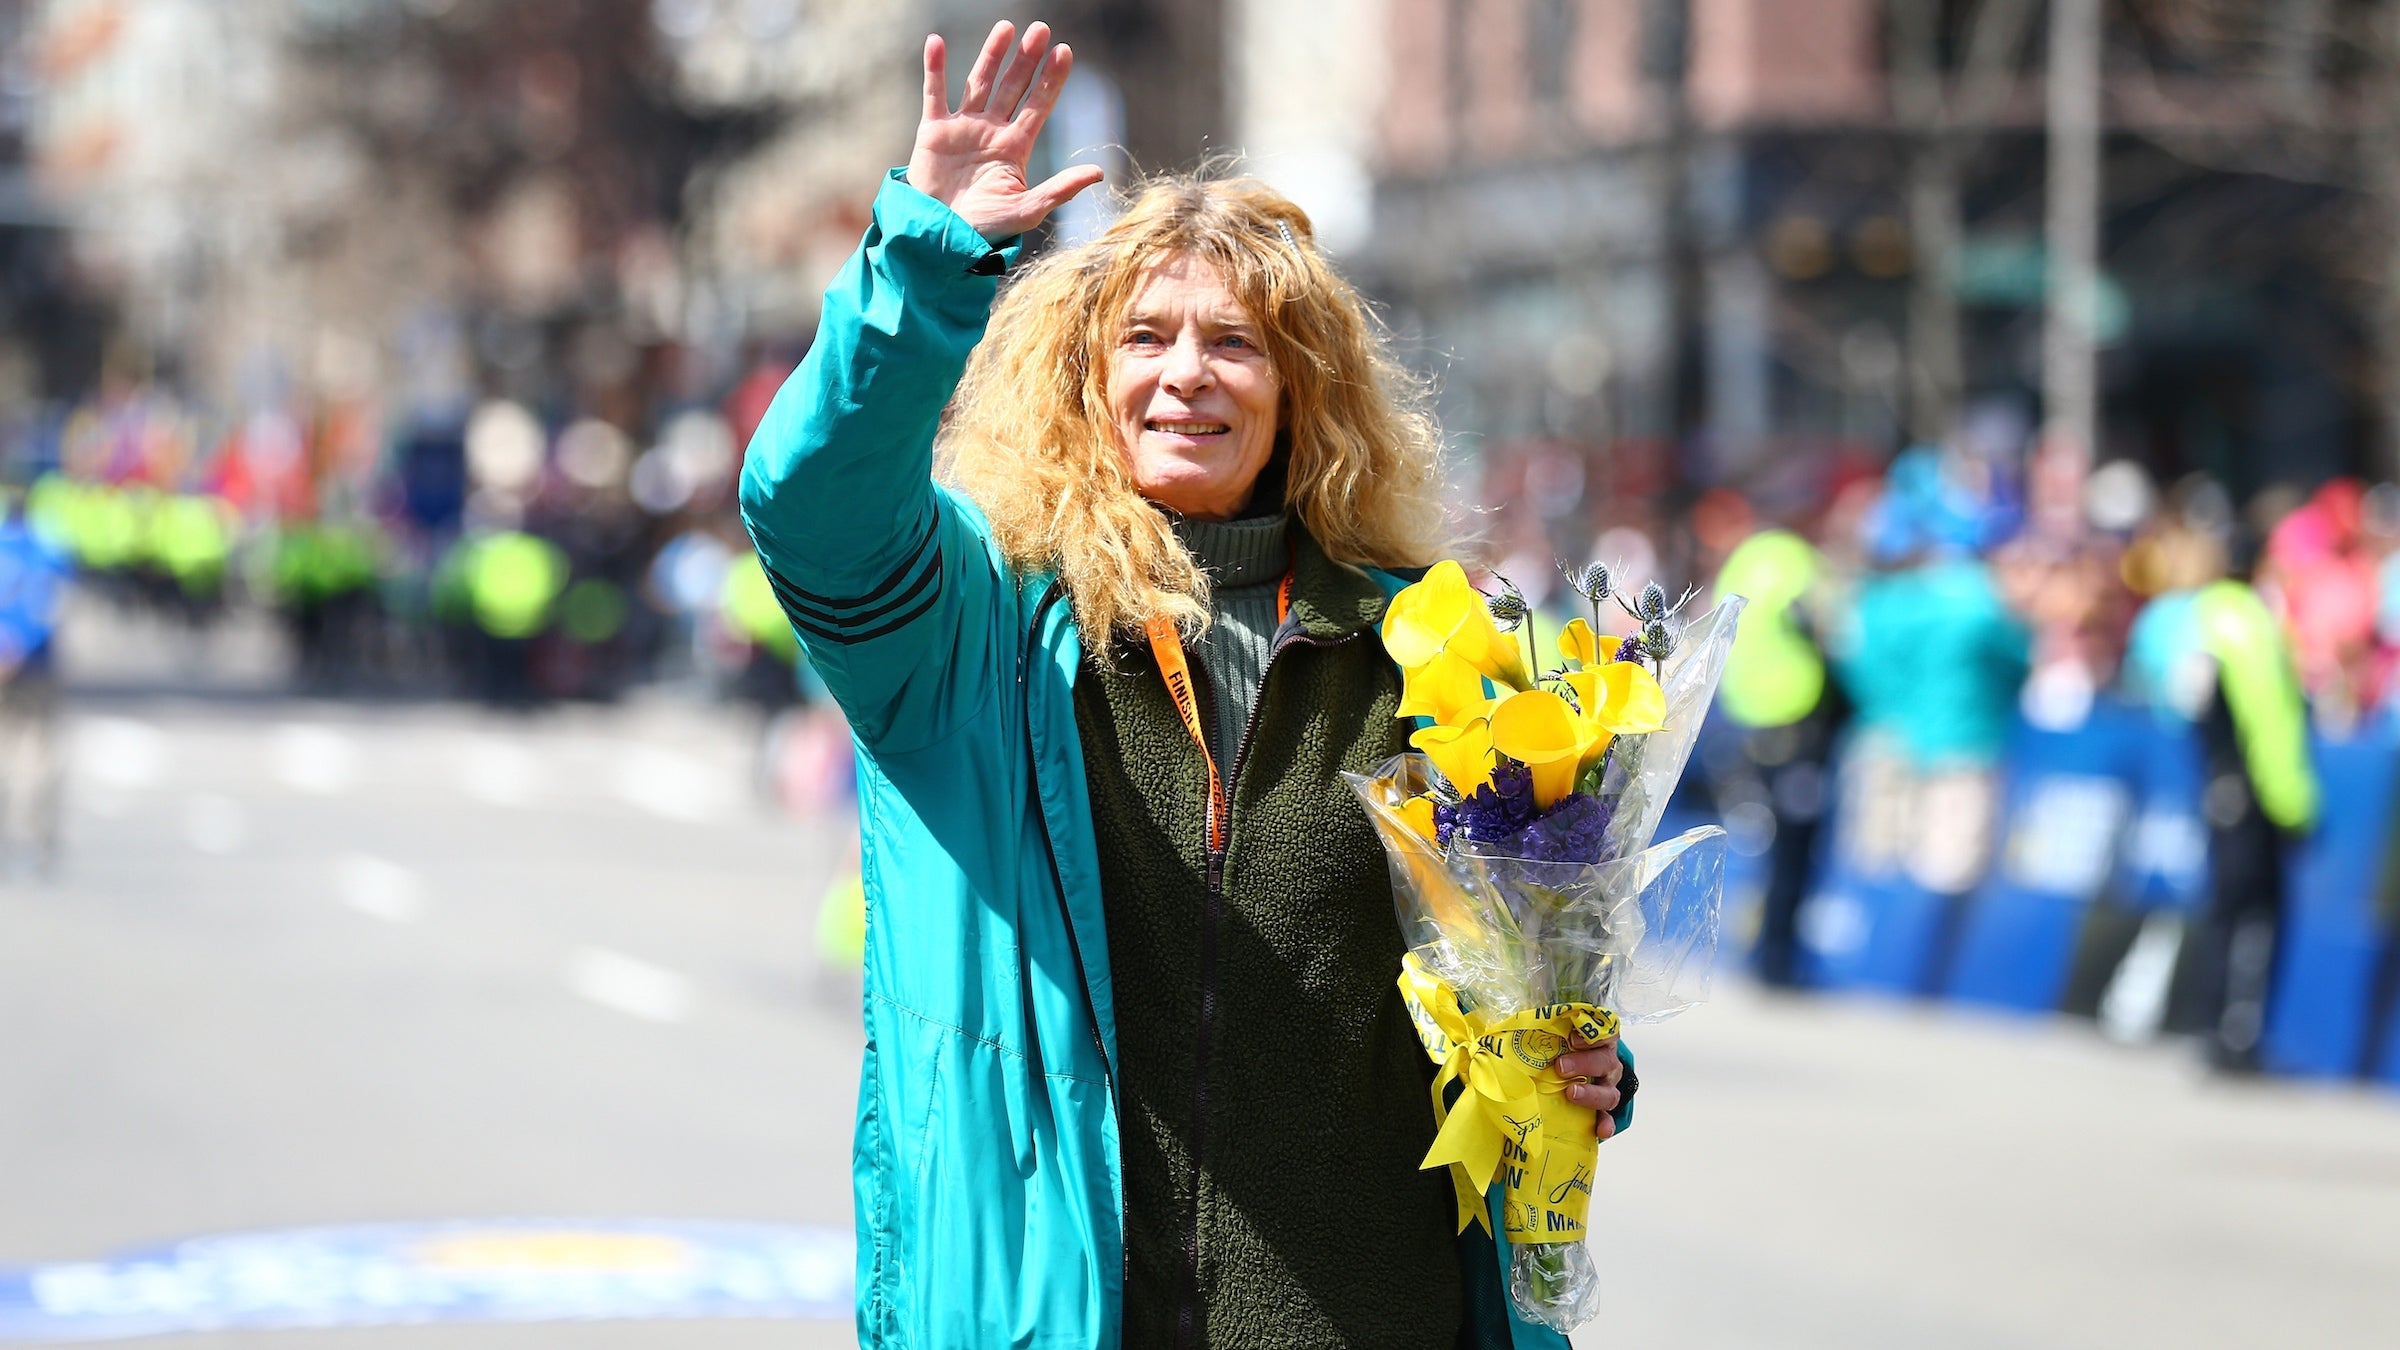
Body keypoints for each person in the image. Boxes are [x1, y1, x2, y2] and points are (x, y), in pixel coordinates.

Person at [738, 21, 1632, 1348]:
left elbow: (1514, 976)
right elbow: (811, 503)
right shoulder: (978, 633)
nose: (1186, 373)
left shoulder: (1436, 648)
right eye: (1145, 336)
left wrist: (1576, 1060)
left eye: (1236, 342)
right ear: (1085, 379)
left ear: (1301, 388)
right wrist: (923, 264)